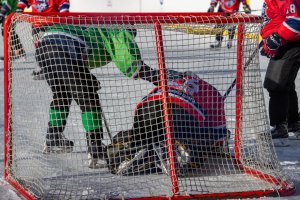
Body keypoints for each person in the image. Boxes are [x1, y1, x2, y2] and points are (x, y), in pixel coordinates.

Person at [34, 22, 184, 169]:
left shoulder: (98, 27)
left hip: (44, 49)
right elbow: (130, 63)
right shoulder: (119, 29)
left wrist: (87, 77)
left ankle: (53, 138)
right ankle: (96, 150)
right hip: (65, 48)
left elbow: (77, 59)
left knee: (62, 94)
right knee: (89, 99)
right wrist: (158, 77)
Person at [106, 72, 229, 175]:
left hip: (146, 107)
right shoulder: (210, 90)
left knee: (145, 136)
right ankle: (171, 155)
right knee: (195, 144)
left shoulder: (169, 81)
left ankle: (136, 149)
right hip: (181, 110)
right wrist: (213, 144)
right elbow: (217, 134)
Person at [260, 0, 300, 146]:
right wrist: (269, 37)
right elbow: (275, 17)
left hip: (289, 44)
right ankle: (293, 124)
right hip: (288, 43)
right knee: (286, 85)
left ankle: (279, 129)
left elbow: (296, 20)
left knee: (275, 84)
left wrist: (276, 38)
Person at [16, 0, 70, 79]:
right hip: (37, 24)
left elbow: (63, 2)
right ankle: (44, 67)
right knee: (38, 45)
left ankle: (58, 66)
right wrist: (20, 8)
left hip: (52, 24)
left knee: (53, 46)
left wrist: (64, 13)